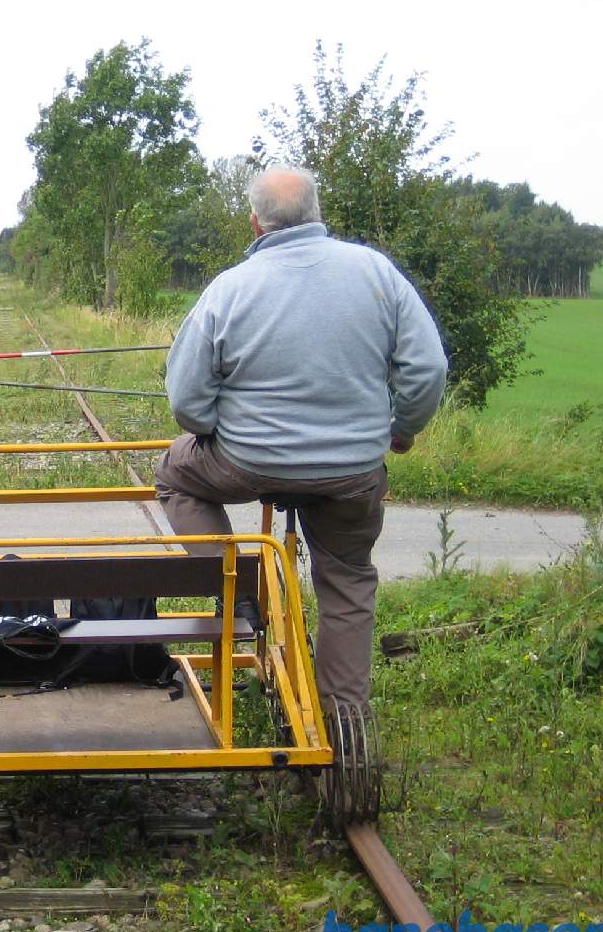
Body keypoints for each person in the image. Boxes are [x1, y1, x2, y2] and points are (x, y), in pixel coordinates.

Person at [155, 166, 447, 710]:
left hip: (246, 463)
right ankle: (342, 726)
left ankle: (235, 593)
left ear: (255, 222)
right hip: (353, 472)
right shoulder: (377, 274)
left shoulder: (231, 287)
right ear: (317, 211)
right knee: (347, 583)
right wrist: (402, 430)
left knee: (175, 475)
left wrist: (217, 430)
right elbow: (427, 367)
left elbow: (186, 402)